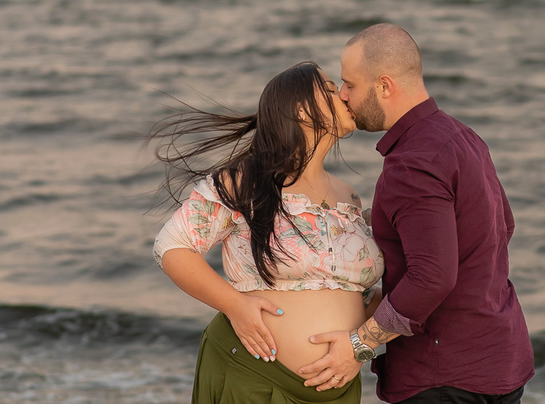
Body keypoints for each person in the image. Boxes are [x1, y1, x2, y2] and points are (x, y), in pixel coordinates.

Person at [296, 24, 534, 404]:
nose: (342, 95)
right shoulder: (463, 137)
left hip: (443, 377)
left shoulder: (412, 162)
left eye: (350, 84)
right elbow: (503, 226)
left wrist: (358, 344)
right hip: (500, 362)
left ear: (385, 86)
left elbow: (433, 276)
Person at [151, 61, 384, 404]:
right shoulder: (246, 181)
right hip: (253, 375)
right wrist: (234, 306)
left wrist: (362, 345)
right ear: (303, 110)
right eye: (333, 90)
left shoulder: (348, 195)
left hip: (337, 390)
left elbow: (347, 288)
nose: (346, 96)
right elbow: (171, 247)